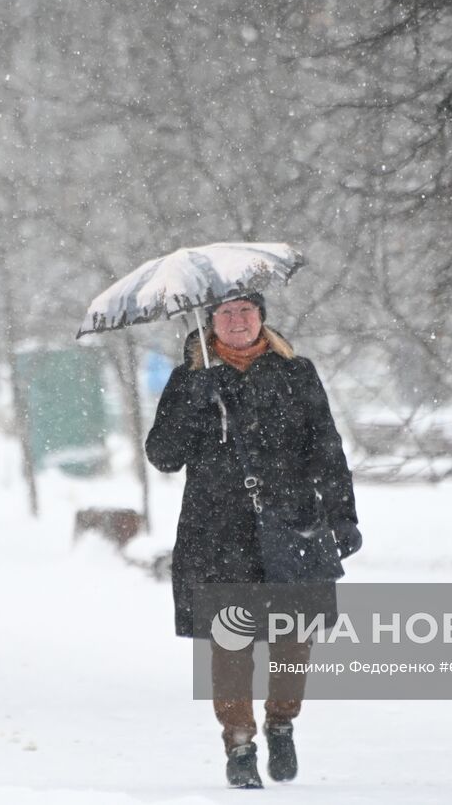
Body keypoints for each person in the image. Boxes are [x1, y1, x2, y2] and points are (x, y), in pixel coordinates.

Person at [145, 292, 362, 789]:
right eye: (226, 313)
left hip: (293, 521)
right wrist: (194, 404)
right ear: (210, 322)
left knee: (293, 635)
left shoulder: (295, 372)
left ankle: (282, 722)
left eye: (246, 311)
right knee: (232, 640)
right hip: (217, 530)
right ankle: (239, 745)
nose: (237, 321)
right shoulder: (190, 379)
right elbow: (163, 455)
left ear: (262, 317)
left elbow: (325, 446)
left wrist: (342, 515)